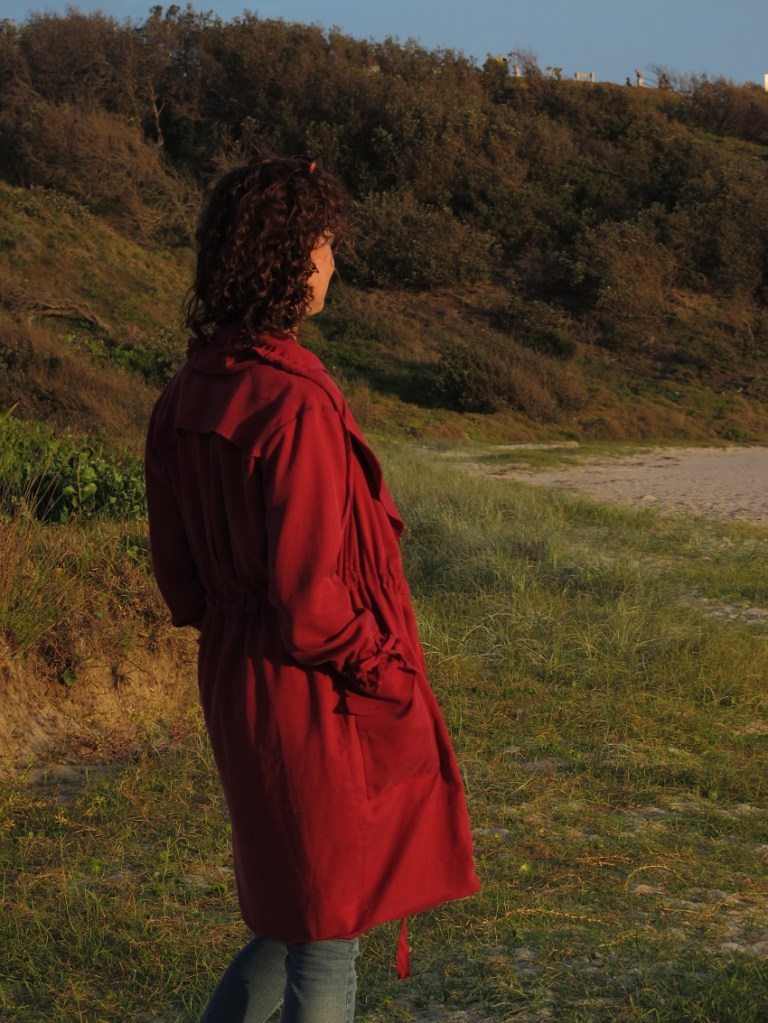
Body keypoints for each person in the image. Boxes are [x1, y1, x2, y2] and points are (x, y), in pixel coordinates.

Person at [144, 155, 480, 1023]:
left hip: (233, 675)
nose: (334, 262)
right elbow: (308, 602)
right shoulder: (294, 402)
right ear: (285, 256)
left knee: (295, 913)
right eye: (325, 244)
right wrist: (387, 668)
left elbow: (179, 582)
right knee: (328, 936)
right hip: (311, 692)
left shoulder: (183, 392)